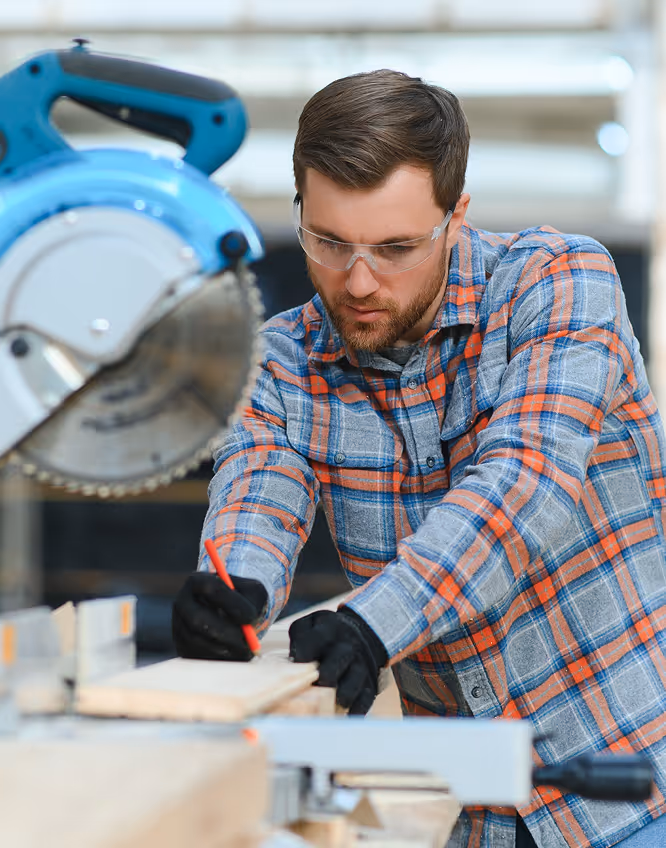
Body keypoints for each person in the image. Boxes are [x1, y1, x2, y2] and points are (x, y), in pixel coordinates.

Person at [172, 70, 666, 848]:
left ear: (455, 216)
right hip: (475, 816)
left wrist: (371, 627)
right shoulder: (279, 364)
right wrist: (233, 592)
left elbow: (523, 485)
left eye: (396, 247)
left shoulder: (561, 284)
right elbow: (259, 492)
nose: (358, 282)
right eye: (329, 242)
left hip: (634, 791)